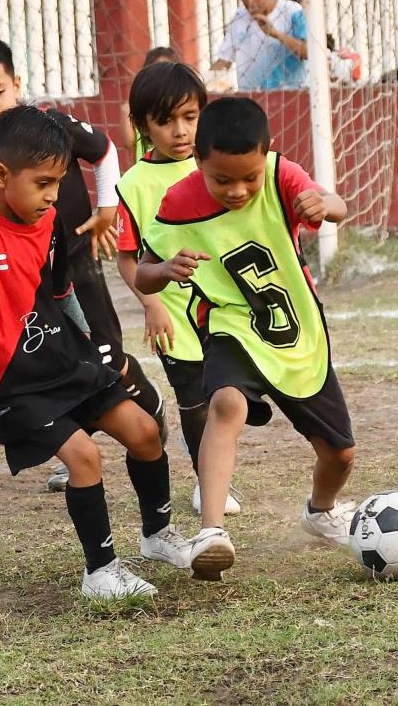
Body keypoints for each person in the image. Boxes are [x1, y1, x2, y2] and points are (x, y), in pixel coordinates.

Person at [0, 106, 190, 599]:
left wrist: (89, 346)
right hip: (14, 381)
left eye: (59, 181)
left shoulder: (50, 218)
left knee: (145, 432)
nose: (54, 195)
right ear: (0, 175)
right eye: (42, 183)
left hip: (66, 359)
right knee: (83, 457)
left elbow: (61, 292)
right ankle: (100, 572)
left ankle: (158, 535)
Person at [135, 97, 356, 582]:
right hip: (230, 324)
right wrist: (163, 271)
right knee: (225, 405)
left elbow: (337, 207)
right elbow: (143, 273)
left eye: (248, 178)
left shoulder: (282, 176)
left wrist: (326, 204)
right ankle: (211, 532)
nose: (238, 190)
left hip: (296, 331)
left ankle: (321, 512)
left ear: (267, 157)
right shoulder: (177, 204)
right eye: (222, 180)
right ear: (198, 163)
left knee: (340, 454)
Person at [0, 32, 167, 492]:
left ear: (18, 84)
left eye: (0, 90)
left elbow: (104, 151)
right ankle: (74, 447)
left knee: (105, 355)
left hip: (77, 265)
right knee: (57, 362)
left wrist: (107, 209)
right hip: (31, 287)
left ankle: (151, 410)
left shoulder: (51, 124)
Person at [115, 62, 241, 517]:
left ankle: (216, 470)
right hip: (174, 317)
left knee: (231, 397)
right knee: (196, 405)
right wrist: (151, 303)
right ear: (143, 126)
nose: (180, 130)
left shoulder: (217, 167)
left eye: (190, 117)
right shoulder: (133, 186)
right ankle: (209, 484)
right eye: (165, 121)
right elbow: (127, 258)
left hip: (225, 309)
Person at [210, 0, 308, 91]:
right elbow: (223, 61)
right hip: (251, 100)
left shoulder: (293, 11)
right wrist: (203, 82)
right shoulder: (239, 18)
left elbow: (309, 52)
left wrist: (275, 34)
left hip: (292, 96)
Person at [121, 46, 182, 161]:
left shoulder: (183, 104)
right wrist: (126, 113)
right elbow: (128, 142)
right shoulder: (134, 107)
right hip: (148, 167)